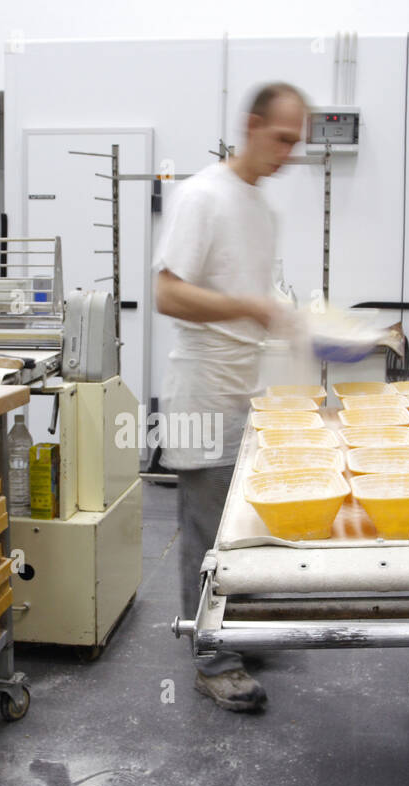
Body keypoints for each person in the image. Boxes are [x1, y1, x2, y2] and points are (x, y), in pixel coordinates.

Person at [153, 82, 309, 712]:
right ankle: (213, 658)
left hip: (243, 390)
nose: (288, 153)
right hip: (199, 390)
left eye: (297, 143)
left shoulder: (261, 210)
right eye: (282, 139)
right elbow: (167, 294)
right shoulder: (203, 196)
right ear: (251, 125)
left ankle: (231, 628)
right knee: (206, 527)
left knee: (240, 524)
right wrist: (249, 306)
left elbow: (250, 299)